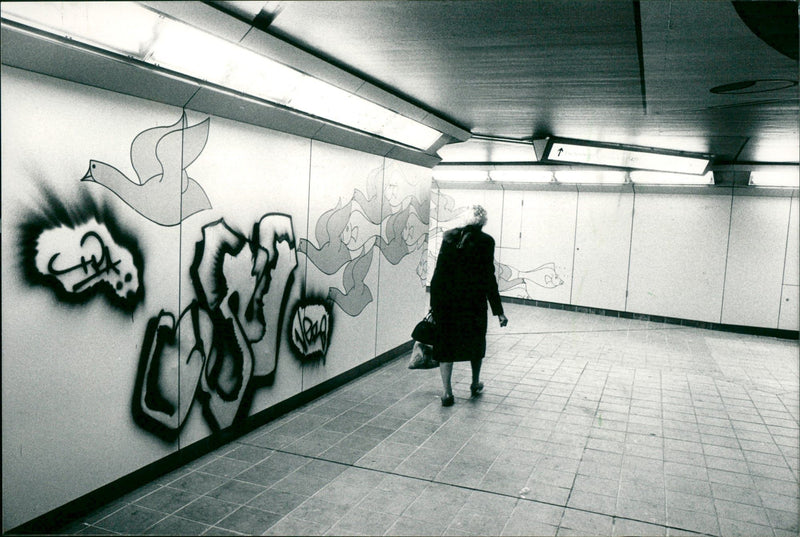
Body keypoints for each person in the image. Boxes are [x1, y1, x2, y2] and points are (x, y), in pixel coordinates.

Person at [429, 205, 508, 406]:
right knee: (475, 343)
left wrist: (434, 306)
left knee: (446, 345)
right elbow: (488, 277)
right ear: (483, 222)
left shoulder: (448, 238)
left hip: (447, 303)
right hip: (473, 303)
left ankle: (447, 392)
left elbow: (438, 275)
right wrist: (498, 311)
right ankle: (474, 383)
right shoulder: (486, 241)